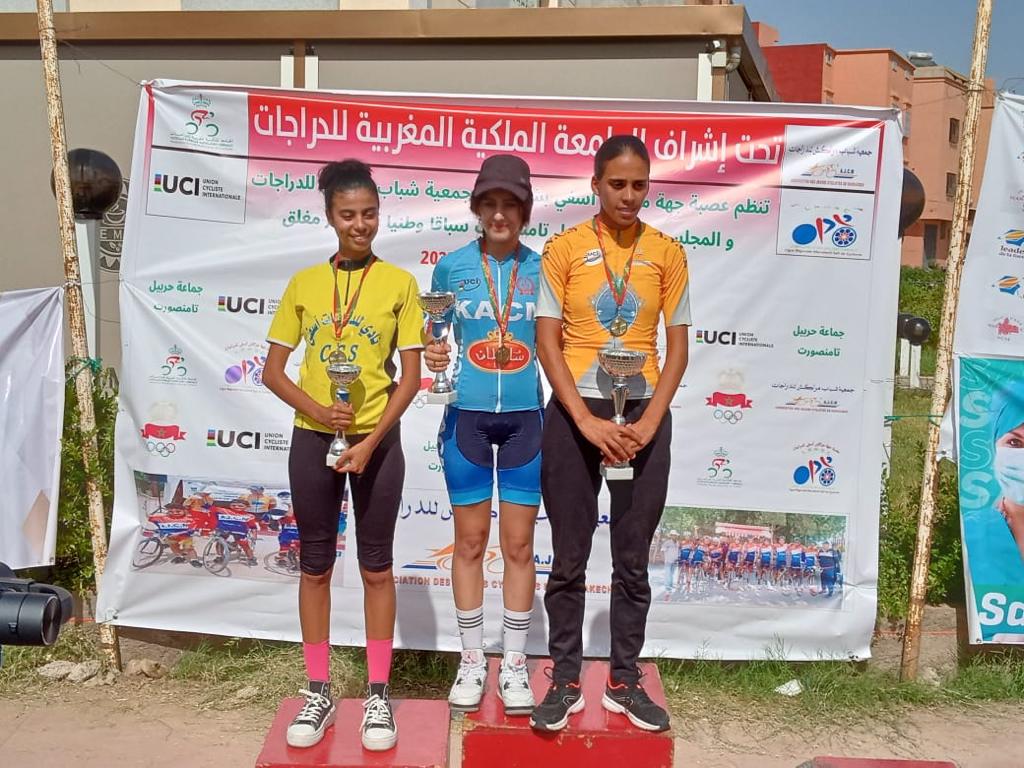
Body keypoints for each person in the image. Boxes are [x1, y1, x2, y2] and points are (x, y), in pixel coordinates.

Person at [530, 135, 691, 734]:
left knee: (632, 561)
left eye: (639, 185)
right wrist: (586, 421)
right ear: (595, 184)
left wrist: (647, 423)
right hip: (576, 416)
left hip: (642, 413)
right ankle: (565, 680)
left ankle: (624, 680)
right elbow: (548, 342)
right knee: (568, 558)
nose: (628, 195)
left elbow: (678, 348)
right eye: (617, 184)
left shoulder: (667, 252)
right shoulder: (563, 248)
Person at [263, 159, 424, 751]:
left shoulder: (400, 284)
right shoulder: (305, 283)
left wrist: (368, 440)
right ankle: (318, 690)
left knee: (376, 567)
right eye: (349, 215)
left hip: (376, 441)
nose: (361, 225)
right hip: (314, 438)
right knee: (315, 566)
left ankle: (378, 695)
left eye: (370, 214)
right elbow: (272, 371)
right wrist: (319, 409)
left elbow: (411, 378)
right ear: (330, 217)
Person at [423, 155, 542, 716]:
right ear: (476, 209)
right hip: (466, 416)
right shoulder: (450, 268)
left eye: (510, 205)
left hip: (525, 418)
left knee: (518, 546)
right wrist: (433, 352)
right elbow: (435, 333)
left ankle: (513, 662)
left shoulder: (543, 269)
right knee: (469, 543)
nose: (499, 215)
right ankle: (471, 659)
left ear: (525, 212)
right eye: (489, 204)